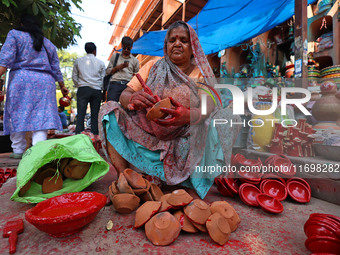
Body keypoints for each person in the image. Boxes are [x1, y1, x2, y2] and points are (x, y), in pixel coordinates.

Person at [99, 21, 240, 199]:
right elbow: (125, 94)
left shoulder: (200, 73)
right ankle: (124, 178)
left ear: (192, 46)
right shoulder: (153, 67)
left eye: (183, 40)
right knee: (109, 109)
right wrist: (131, 99)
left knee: (223, 118)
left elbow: (208, 105)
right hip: (148, 134)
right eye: (172, 40)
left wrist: (188, 115)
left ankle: (190, 183)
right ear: (166, 46)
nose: (177, 44)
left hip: (184, 137)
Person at [0, 14, 69, 159]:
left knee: (17, 114)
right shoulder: (48, 43)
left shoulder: (15, 35)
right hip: (45, 83)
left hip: (21, 81)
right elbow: (56, 67)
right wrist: (62, 87)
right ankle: (38, 150)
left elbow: (5, 61)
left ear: (22, 24)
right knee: (41, 117)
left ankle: (18, 150)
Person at [72, 42, 105, 135]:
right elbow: (103, 78)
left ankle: (79, 135)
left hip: (83, 89)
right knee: (95, 115)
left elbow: (74, 76)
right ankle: (95, 136)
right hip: (96, 89)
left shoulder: (78, 61)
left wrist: (79, 84)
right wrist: (101, 89)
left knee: (81, 114)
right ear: (95, 50)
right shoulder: (101, 63)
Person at [105, 36, 139, 102]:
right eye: (124, 48)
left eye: (128, 48)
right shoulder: (115, 56)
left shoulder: (135, 60)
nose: (126, 50)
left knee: (128, 107)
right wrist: (118, 67)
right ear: (121, 45)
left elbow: (136, 75)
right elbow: (107, 72)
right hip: (115, 84)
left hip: (128, 85)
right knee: (111, 106)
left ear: (131, 47)